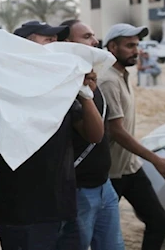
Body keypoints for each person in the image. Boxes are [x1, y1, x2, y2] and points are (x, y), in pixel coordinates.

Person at [0, 21, 104, 250]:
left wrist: (85, 94)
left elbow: (94, 134)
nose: (55, 43)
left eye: (56, 39)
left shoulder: (61, 88)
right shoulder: (3, 87)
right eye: (47, 39)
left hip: (63, 209)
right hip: (23, 214)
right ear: (22, 45)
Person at [100, 23, 165, 250]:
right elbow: (116, 130)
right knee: (103, 233)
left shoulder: (123, 75)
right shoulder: (108, 80)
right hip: (112, 174)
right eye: (129, 46)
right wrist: (156, 160)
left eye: (136, 45)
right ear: (112, 47)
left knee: (158, 221)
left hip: (131, 168)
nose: (136, 50)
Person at [57, 19, 124, 250]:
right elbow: (93, 134)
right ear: (66, 44)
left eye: (93, 36)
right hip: (80, 191)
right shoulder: (64, 88)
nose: (95, 41)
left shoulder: (90, 81)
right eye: (86, 37)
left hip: (104, 187)